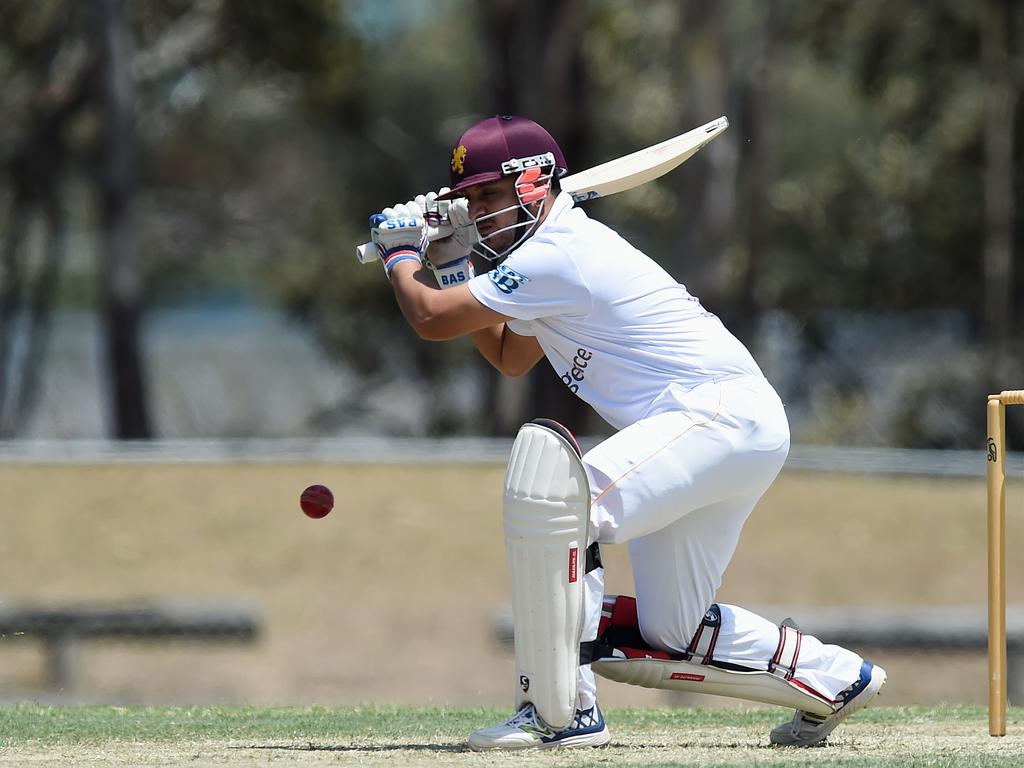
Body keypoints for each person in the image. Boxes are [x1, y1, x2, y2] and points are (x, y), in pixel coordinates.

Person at [369, 115, 886, 751]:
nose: (477, 214)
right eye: (469, 202)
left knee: (562, 507)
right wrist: (448, 261)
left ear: (534, 183)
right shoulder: (547, 258)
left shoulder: (559, 255)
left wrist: (400, 255)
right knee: (675, 632)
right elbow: (508, 355)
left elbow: (428, 318)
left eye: (487, 198)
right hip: (728, 426)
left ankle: (562, 713)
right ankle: (835, 677)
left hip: (711, 414)